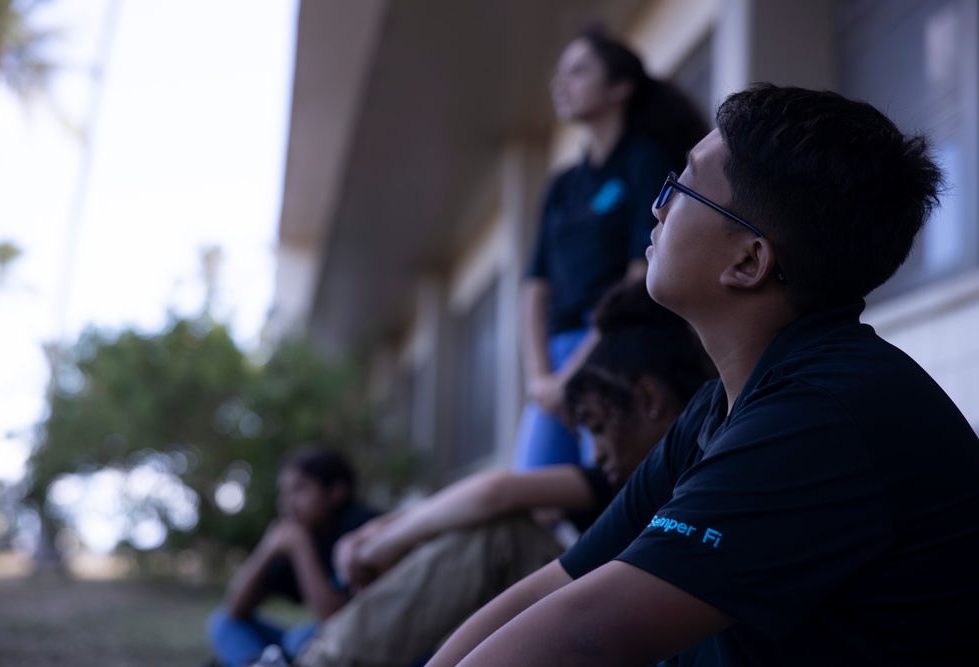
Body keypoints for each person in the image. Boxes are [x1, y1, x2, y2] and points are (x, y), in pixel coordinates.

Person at [428, 84, 979, 666]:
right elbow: (565, 582)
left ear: (747, 261)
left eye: (683, 186)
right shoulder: (722, 405)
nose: (657, 206)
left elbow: (585, 632)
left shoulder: (823, 414)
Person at [290, 281, 714, 667]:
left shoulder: (692, 467)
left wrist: (383, 538)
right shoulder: (632, 482)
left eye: (599, 428)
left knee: (501, 535)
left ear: (649, 401)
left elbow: (497, 492)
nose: (597, 451)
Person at [515, 28, 708, 470]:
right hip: (557, 358)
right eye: (559, 74)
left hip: (614, 345)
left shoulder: (645, 160)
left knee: (607, 483)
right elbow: (533, 287)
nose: (560, 83)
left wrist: (575, 373)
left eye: (579, 71)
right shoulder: (562, 185)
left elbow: (640, 271)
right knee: (533, 487)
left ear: (619, 87)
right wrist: (542, 378)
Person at [206, 446, 379, 667]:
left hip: (368, 646)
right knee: (222, 623)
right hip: (318, 645)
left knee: (299, 640)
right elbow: (235, 609)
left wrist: (302, 550)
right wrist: (266, 549)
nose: (288, 503)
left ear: (337, 491)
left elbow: (339, 622)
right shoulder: (303, 535)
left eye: (299, 490)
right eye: (285, 493)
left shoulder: (362, 531)